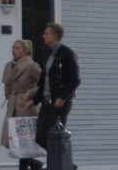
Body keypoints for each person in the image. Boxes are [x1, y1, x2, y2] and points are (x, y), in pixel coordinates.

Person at [29, 22, 81, 162]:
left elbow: (75, 80)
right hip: (46, 102)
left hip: (59, 103)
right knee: (40, 137)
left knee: (56, 136)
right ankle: (65, 164)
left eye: (46, 33)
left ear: (54, 36)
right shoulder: (49, 54)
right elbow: (44, 80)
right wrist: (35, 100)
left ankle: (63, 166)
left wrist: (62, 98)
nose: (43, 36)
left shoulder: (67, 54)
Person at [1, 39, 42, 170]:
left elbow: (44, 82)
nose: (14, 50)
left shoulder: (31, 66)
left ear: (25, 51)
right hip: (12, 104)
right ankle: (34, 163)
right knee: (11, 141)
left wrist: (30, 94)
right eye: (13, 48)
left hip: (25, 106)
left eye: (17, 48)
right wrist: (7, 94)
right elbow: (7, 84)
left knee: (22, 141)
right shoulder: (9, 65)